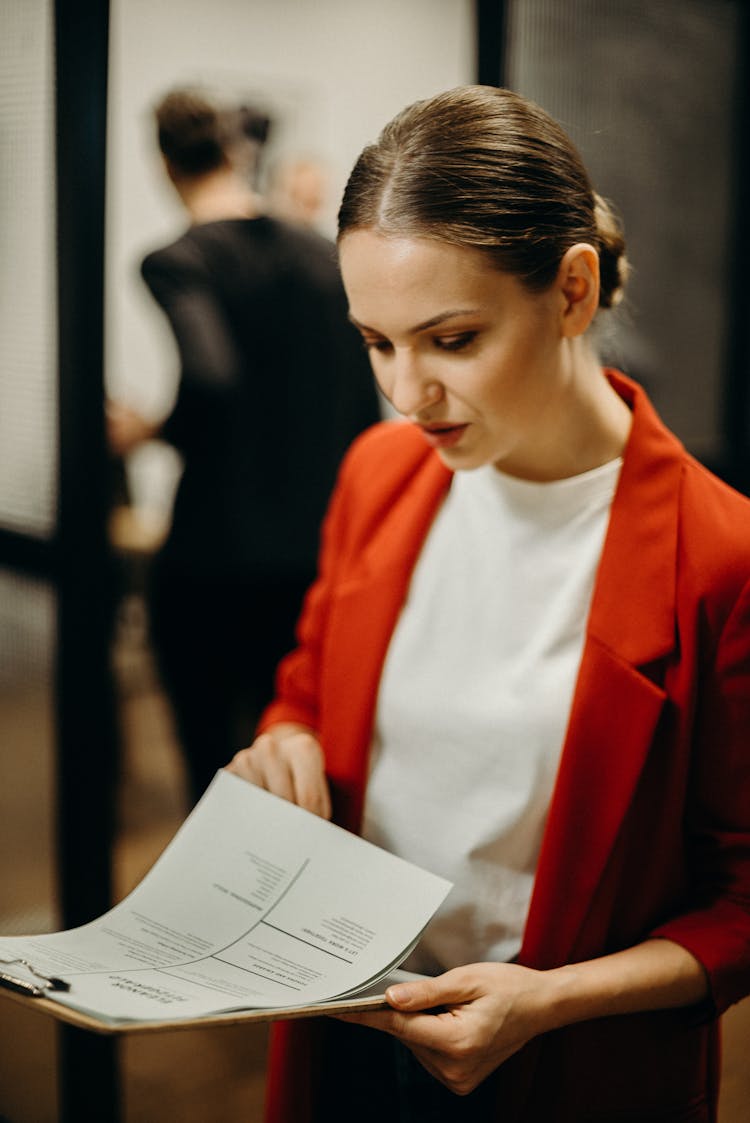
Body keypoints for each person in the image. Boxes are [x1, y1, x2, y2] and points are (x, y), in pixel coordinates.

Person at [227, 85, 750, 1122]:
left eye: (451, 340)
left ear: (571, 290)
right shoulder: (380, 475)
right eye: (377, 343)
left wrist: (550, 1000)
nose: (406, 394)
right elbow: (304, 689)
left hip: (568, 1066)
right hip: (347, 1031)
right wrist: (278, 743)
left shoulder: (719, 557)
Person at [108, 87, 380, 804]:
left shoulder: (178, 261)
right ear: (235, 153)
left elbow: (210, 375)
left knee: (215, 771)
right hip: (312, 560)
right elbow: (365, 409)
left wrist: (150, 430)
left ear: (166, 165)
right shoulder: (325, 259)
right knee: (296, 766)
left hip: (213, 561)